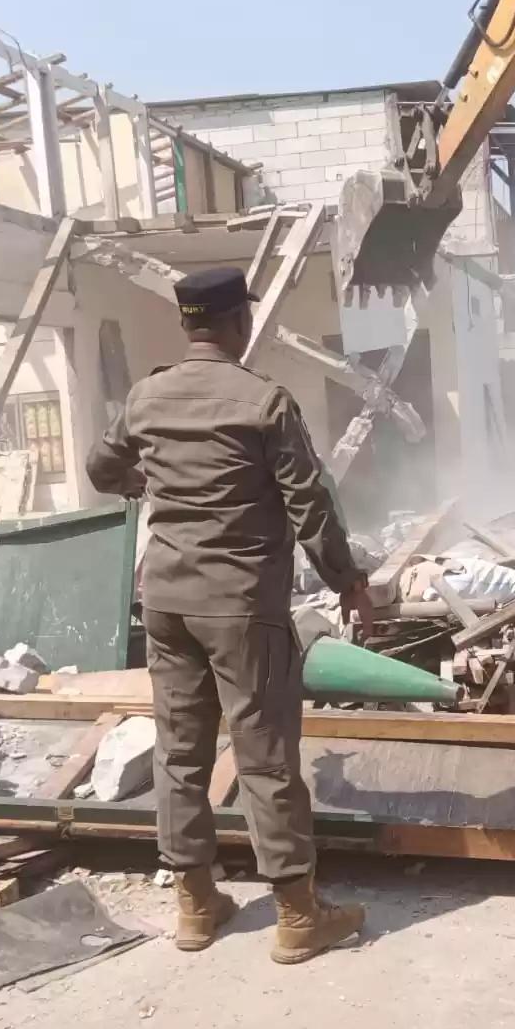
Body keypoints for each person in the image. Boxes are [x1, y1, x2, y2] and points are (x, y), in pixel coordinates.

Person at [86, 265, 372, 964]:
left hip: (166, 601)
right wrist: (348, 581)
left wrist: (147, 480)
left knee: (179, 754)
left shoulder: (148, 396)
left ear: (189, 324)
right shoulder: (262, 400)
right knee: (266, 755)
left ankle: (195, 905)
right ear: (238, 323)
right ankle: (298, 915)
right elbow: (310, 503)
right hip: (241, 606)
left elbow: (101, 469)